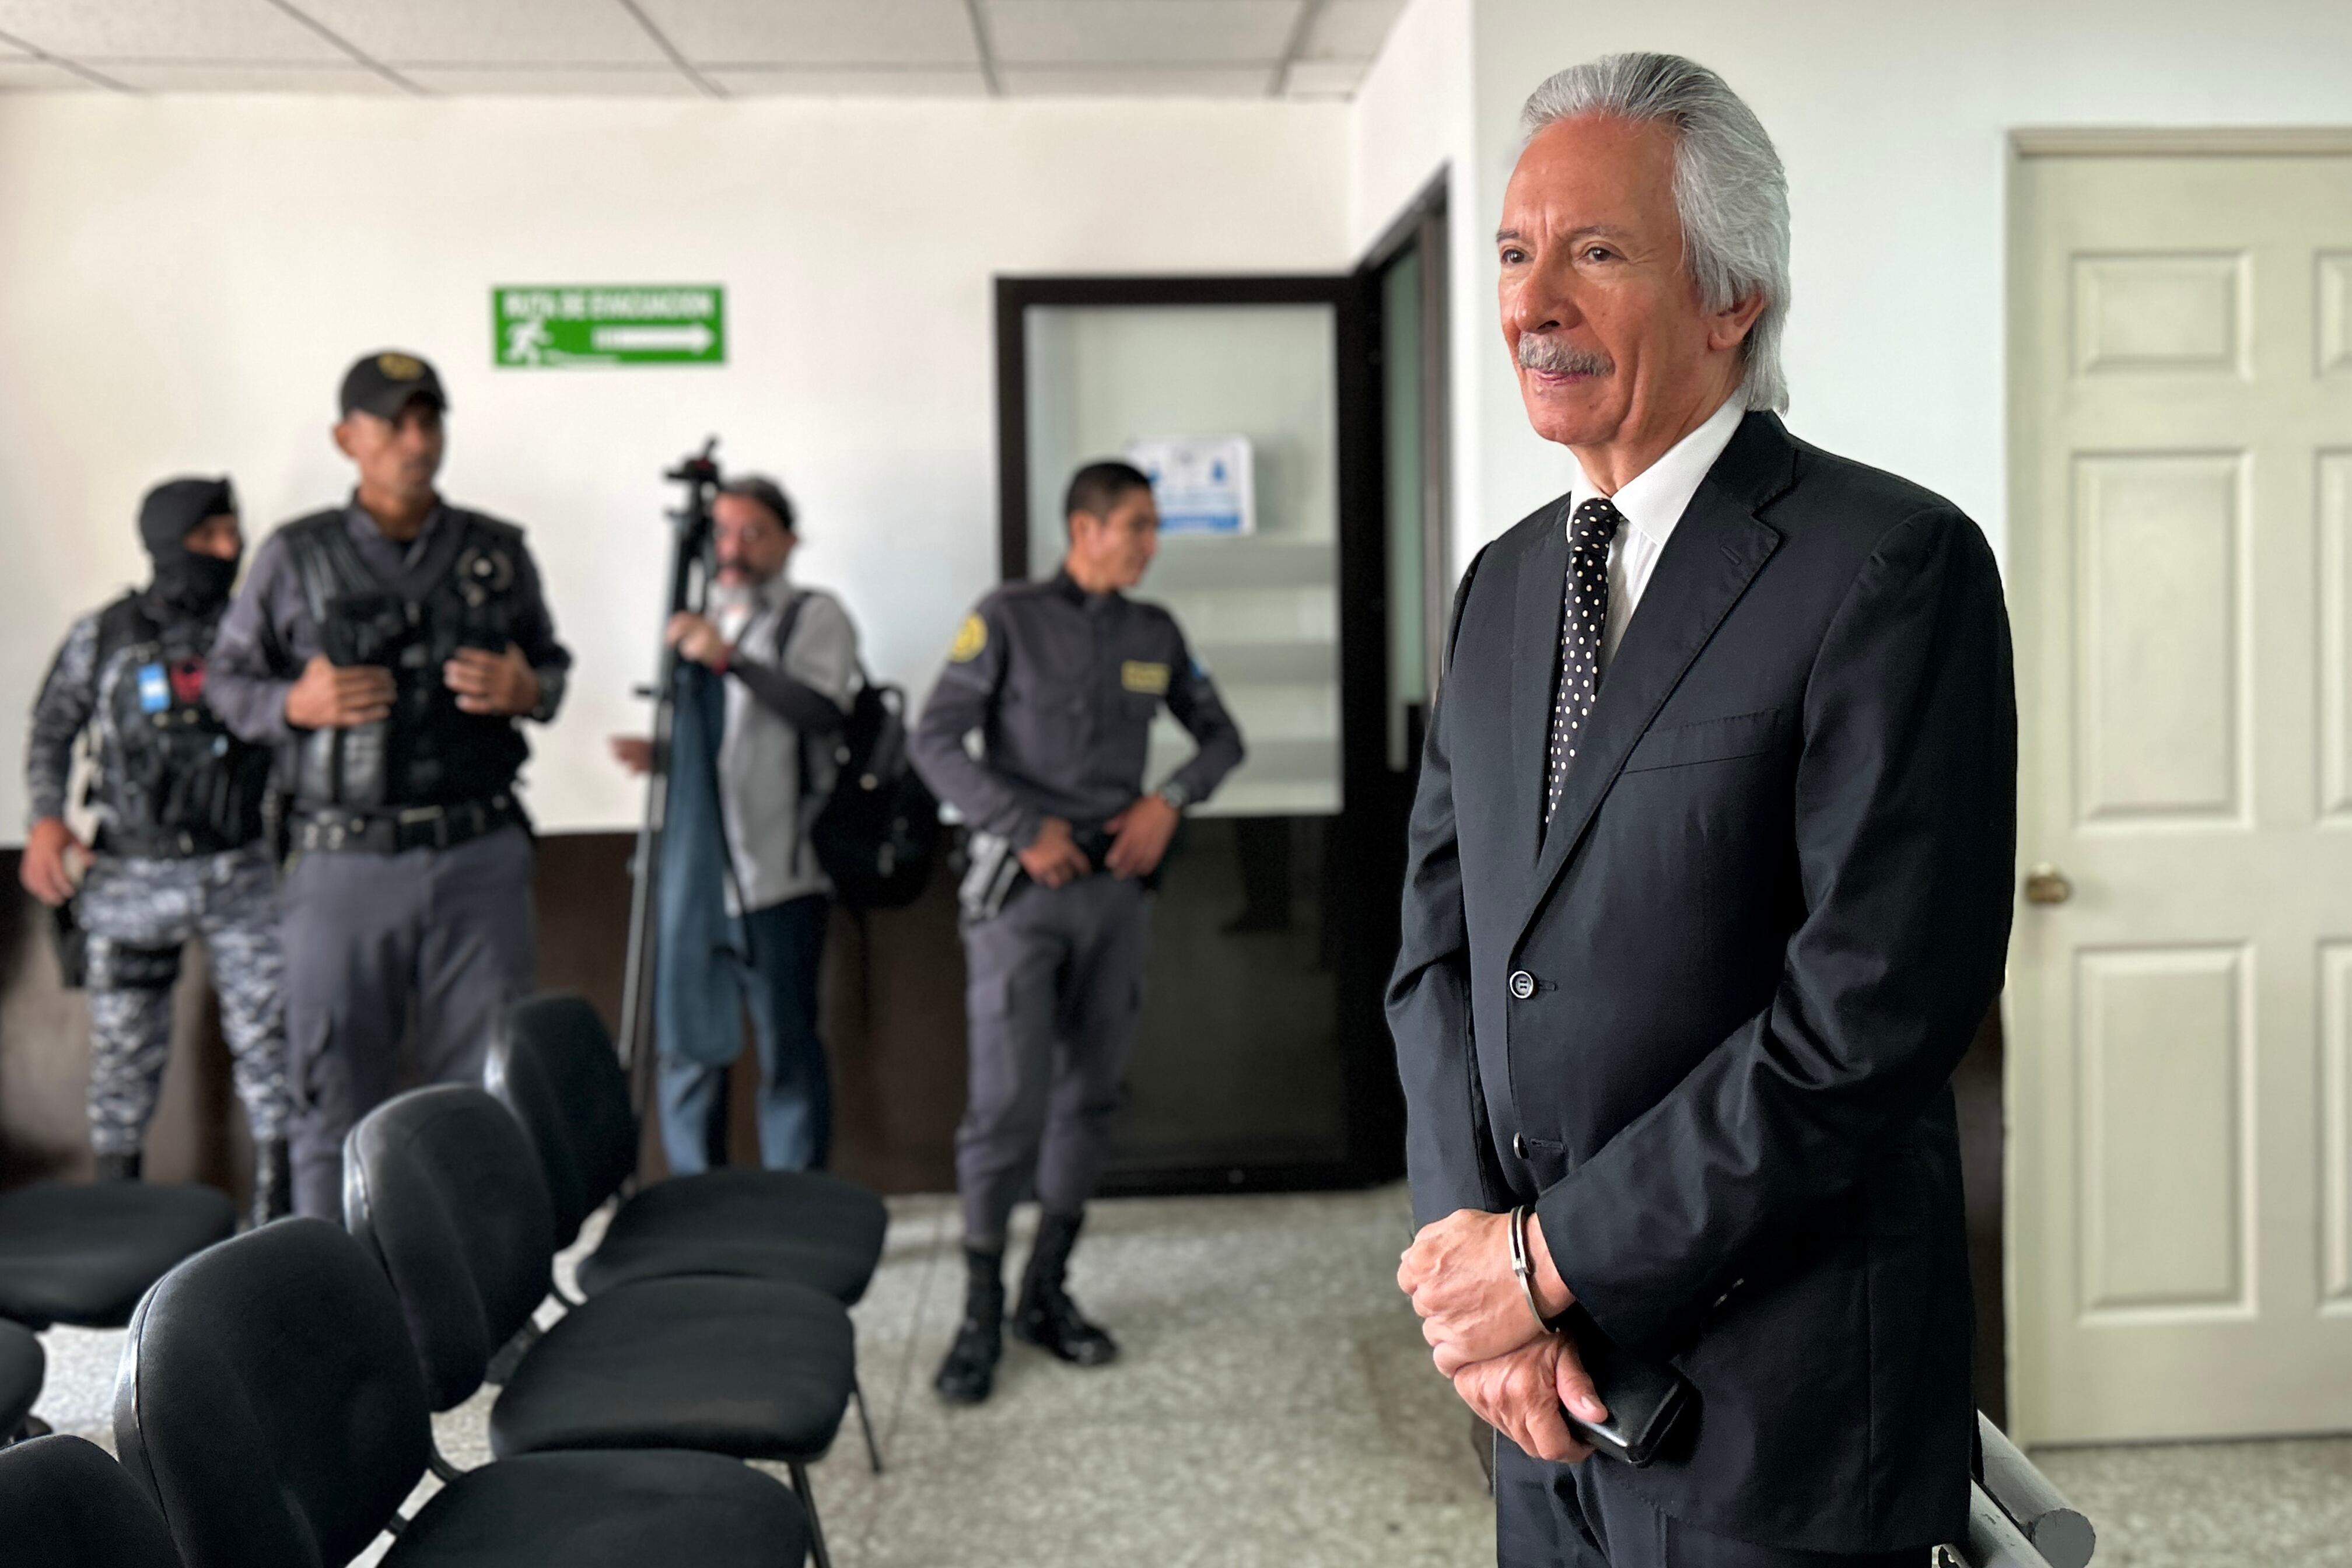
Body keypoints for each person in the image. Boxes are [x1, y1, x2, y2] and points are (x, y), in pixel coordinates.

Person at [1388, 54, 2014, 1567]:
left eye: (1595, 253)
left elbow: (1862, 1025)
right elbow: (1441, 958)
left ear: (1733, 297)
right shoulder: (1503, 584)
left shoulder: (1888, 569)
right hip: (1546, 1415)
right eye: (1517, 253)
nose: (1534, 303)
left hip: (1784, 1426)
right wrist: (1489, 1304)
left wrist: (1551, 1264)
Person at [910, 460, 1245, 1405]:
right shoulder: (1008, 617)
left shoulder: (1153, 631)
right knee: (1006, 1105)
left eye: (1151, 527)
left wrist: (1167, 801)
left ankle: (1043, 1292)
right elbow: (933, 739)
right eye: (1135, 525)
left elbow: (1220, 738)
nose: (1149, 543)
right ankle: (978, 1310)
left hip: (1115, 895)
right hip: (1024, 896)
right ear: (1083, 527)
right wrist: (1023, 826)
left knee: (1090, 1097)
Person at [208, 350, 571, 1220]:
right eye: (394, 422)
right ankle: (329, 1310)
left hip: (476, 853)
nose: (417, 439)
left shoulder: (497, 552)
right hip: (343, 866)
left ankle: (486, 1303)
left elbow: (551, 667)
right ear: (348, 437)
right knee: (329, 1092)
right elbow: (225, 682)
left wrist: (532, 690)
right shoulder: (295, 557)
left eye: (429, 419)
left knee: (484, 1094)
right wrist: (293, 700)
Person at [21, 477, 292, 1224]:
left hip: (242, 869)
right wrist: (46, 819)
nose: (228, 550)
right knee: (123, 1060)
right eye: (208, 537)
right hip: (130, 875)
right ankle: (118, 1221)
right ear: (169, 543)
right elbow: (51, 730)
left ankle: (279, 1217)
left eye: (233, 534)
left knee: (274, 1050)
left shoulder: (260, 630)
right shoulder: (104, 635)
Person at [610, 475, 859, 1174]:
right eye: (722, 532)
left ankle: (797, 1206)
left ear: (789, 539)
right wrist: (662, 755)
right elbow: (727, 749)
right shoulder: (696, 621)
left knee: (787, 1048)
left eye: (753, 532)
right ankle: (698, 1202)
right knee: (689, 1046)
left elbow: (820, 711)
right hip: (696, 879)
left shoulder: (811, 616)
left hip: (779, 876)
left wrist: (727, 659)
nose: (734, 548)